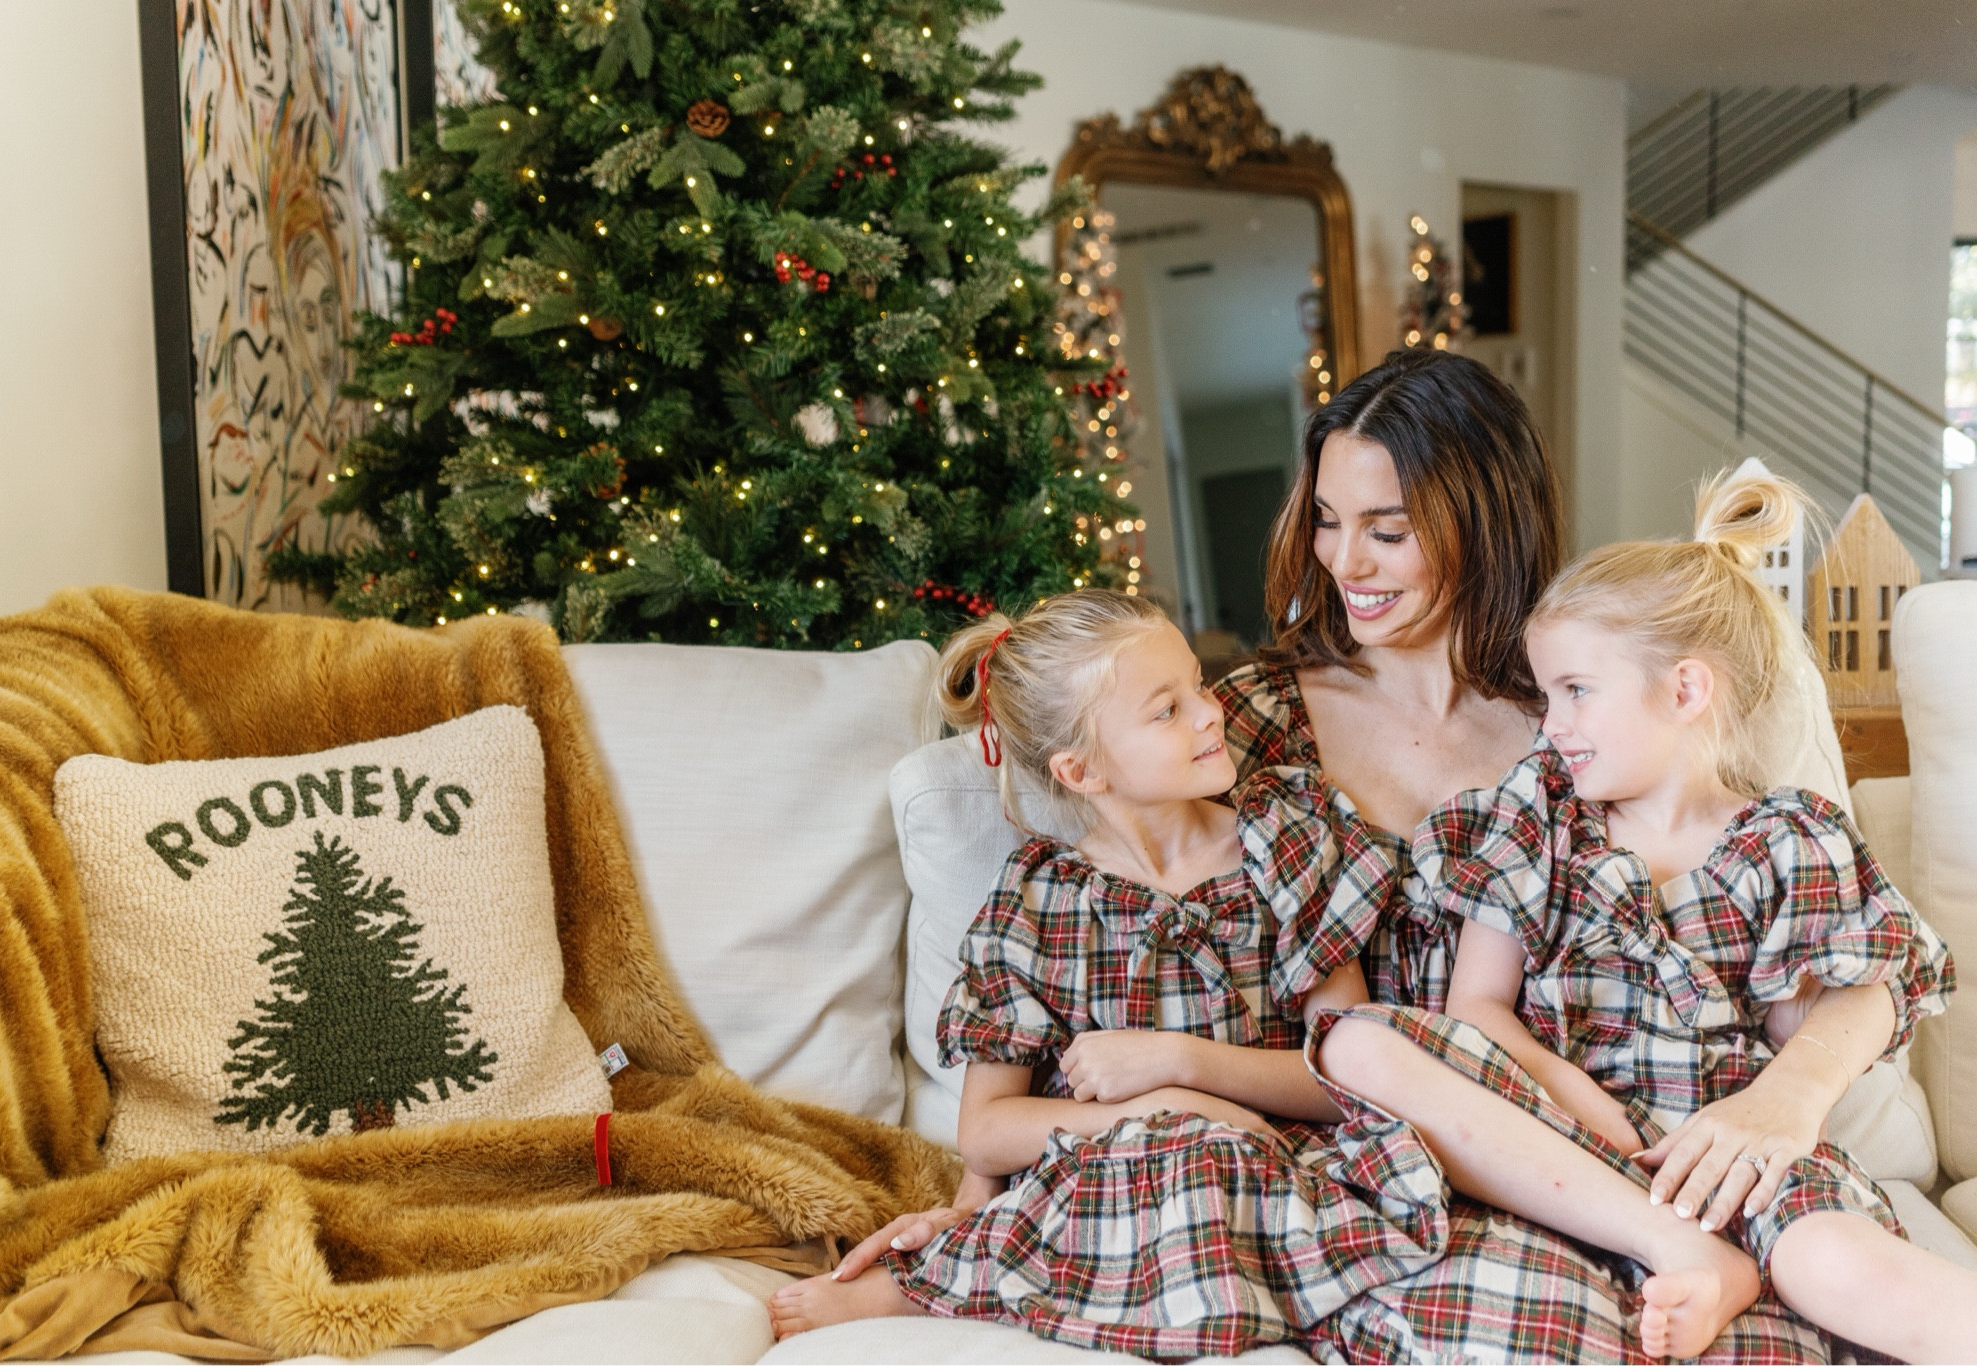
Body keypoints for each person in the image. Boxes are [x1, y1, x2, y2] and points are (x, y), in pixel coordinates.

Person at [805, 350, 1830, 1359]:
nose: (1343, 563)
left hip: (1573, 1130)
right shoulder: (1239, 732)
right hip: (1354, 1155)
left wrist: (1787, 1092)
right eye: (1328, 523)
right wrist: (976, 1209)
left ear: (1480, 523)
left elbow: (1774, 880)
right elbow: (1098, 913)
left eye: (1385, 530)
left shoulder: (1583, 718)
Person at [769, 590, 1455, 1357]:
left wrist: (1182, 1063)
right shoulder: (1038, 902)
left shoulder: (1286, 839)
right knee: (1179, 1154)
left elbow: (1356, 1075)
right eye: (1167, 710)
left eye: (1197, 683)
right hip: (1118, 1173)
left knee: (1222, 1167)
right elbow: (989, 1131)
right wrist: (1167, 1107)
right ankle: (941, 1286)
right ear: (1082, 770)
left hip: (1281, 1161)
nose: (1208, 712)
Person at [1387, 470, 1968, 1362]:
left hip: (1722, 1151)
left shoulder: (1783, 837)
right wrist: (1574, 1093)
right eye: (1547, 697)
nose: (1551, 727)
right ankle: (1697, 1275)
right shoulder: (1539, 820)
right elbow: (1475, 1009)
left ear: (1686, 690)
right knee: (1506, 1287)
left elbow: (1822, 1012)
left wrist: (1782, 1098)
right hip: (1560, 1152)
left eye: (1576, 691)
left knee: (1835, 1258)